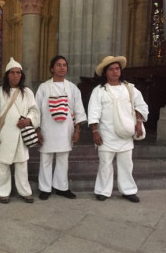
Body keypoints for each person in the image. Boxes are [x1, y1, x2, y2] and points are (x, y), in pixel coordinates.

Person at [88, 56, 149, 203]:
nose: (115, 72)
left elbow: (140, 106)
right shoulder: (99, 91)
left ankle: (128, 190)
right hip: (106, 134)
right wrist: (95, 131)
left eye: (117, 69)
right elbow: (93, 112)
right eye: (111, 69)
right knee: (105, 165)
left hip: (126, 133)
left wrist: (139, 122)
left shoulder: (129, 88)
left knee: (126, 164)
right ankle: (103, 191)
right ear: (105, 72)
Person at [35, 55, 87, 200]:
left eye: (64, 65)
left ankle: (61, 187)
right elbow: (36, 110)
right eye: (58, 65)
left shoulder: (72, 88)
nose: (62, 67)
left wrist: (77, 130)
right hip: (47, 129)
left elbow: (78, 110)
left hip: (66, 130)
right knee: (46, 158)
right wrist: (37, 130)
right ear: (52, 68)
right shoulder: (43, 87)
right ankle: (45, 188)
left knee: (63, 159)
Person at [0, 57, 40, 204]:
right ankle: (2, 192)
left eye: (18, 73)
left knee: (22, 164)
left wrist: (28, 120)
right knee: (2, 164)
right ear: (7, 75)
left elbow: (34, 111)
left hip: (21, 135)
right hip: (4, 134)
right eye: (12, 73)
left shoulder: (27, 92)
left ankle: (25, 192)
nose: (16, 75)